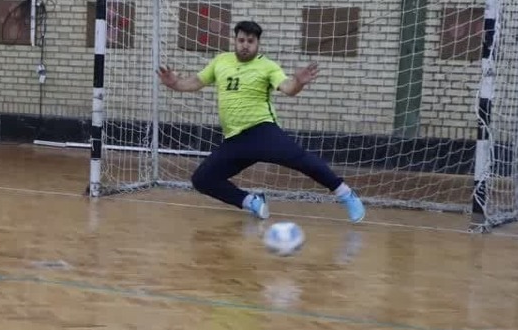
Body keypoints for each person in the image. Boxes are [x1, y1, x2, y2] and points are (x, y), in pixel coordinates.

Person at [156, 20, 365, 223]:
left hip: (262, 131)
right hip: (235, 139)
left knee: (302, 160)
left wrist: (298, 83)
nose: (245, 45)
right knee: (202, 179)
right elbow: (195, 82)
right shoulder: (221, 61)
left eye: (250, 41)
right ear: (235, 41)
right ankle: (251, 201)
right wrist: (174, 83)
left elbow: (288, 88)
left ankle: (346, 194)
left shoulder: (267, 66)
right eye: (241, 40)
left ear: (257, 43)